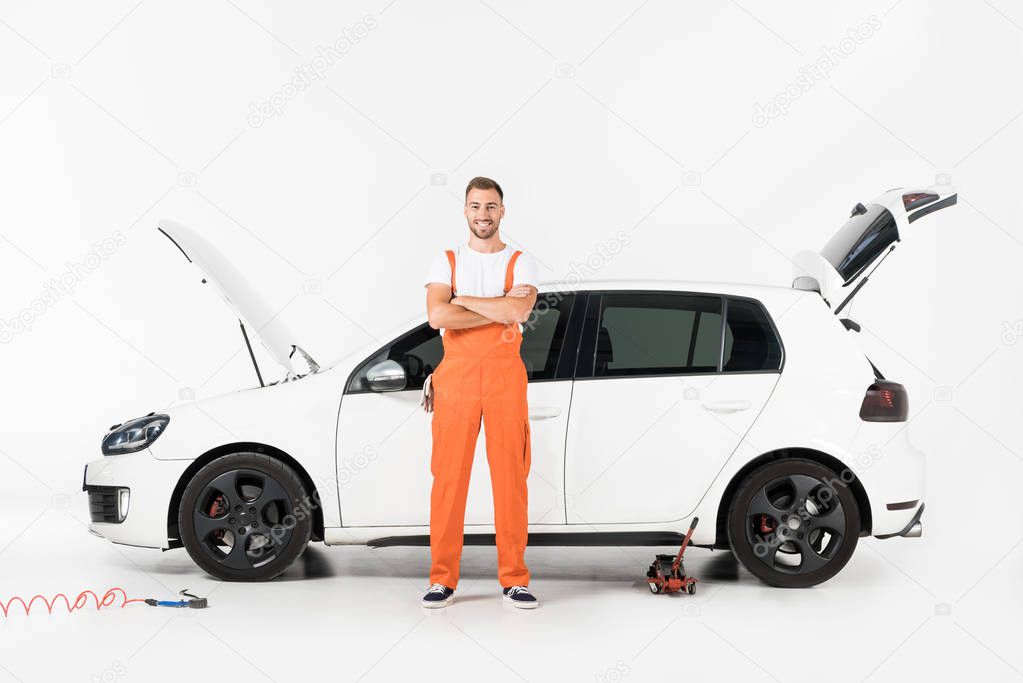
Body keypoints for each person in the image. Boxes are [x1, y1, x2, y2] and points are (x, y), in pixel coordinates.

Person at [420, 176, 540, 609]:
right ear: (465, 211)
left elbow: (519, 309)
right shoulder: (446, 260)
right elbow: (437, 316)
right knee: (449, 480)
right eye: (475, 206)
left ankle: (514, 578)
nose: (483, 215)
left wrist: (464, 301)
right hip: (457, 378)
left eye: (490, 207)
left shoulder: (522, 262)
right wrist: (494, 307)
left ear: (502, 210)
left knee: (511, 480)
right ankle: (442, 579)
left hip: (507, 377)